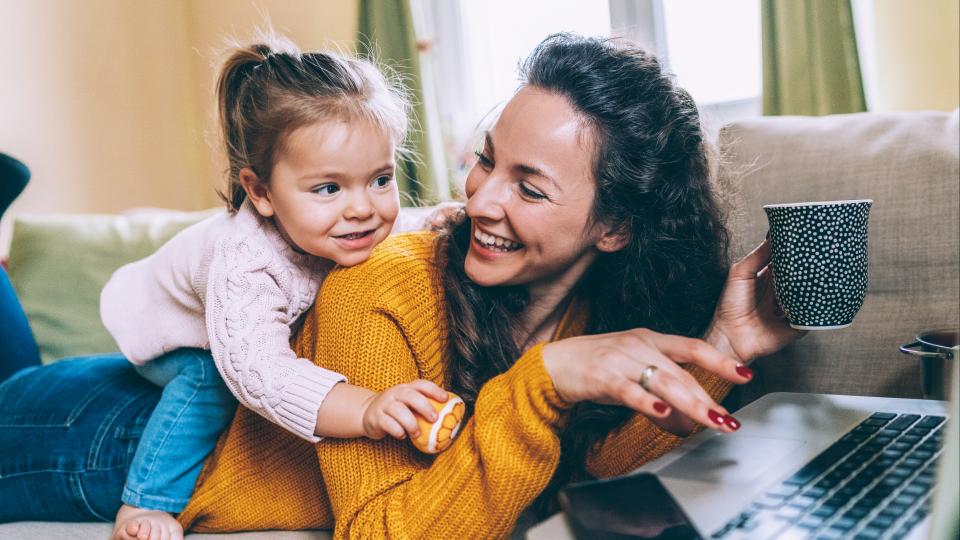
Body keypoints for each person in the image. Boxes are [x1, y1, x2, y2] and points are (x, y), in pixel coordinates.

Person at [0, 33, 799, 538]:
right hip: (99, 437)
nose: (481, 198)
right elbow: (382, 531)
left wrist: (718, 349)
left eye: (529, 186)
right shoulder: (377, 284)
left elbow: (594, 470)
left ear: (614, 229)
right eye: (487, 159)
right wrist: (539, 387)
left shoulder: (585, 308)